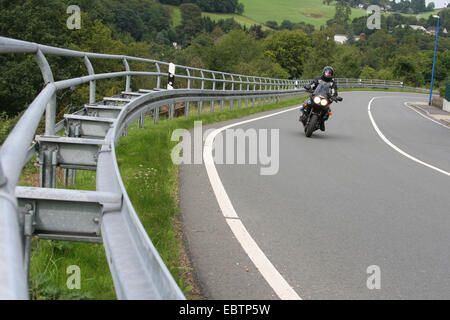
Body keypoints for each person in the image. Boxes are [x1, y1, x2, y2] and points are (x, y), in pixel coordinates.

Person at [300, 66, 338, 131]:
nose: (328, 74)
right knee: (306, 103)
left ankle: (322, 122)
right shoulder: (318, 78)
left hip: (326, 97)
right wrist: (308, 87)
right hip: (316, 95)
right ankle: (304, 114)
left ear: (332, 74)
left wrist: (334, 96)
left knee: (328, 110)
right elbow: (313, 84)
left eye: (330, 73)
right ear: (324, 72)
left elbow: (334, 91)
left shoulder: (332, 82)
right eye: (327, 73)